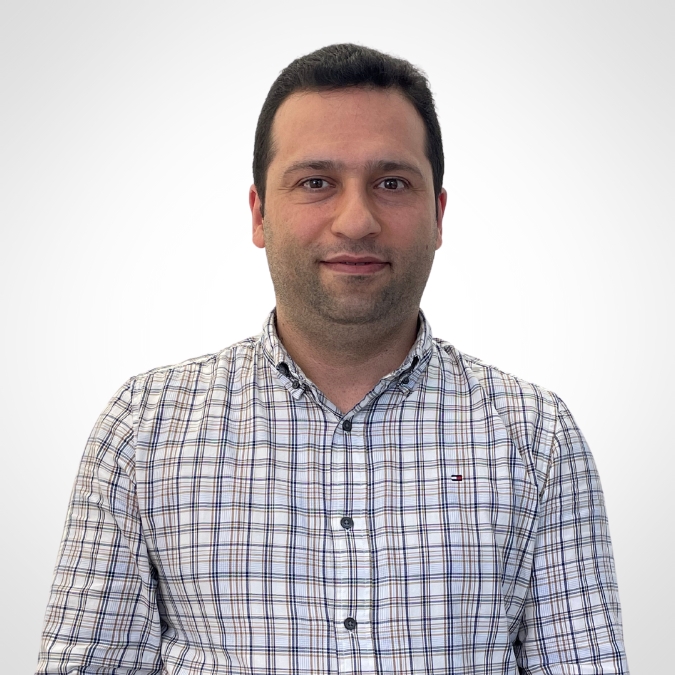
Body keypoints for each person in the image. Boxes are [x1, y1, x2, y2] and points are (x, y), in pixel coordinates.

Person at [36, 44, 629, 674]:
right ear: (259, 213)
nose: (356, 220)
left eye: (391, 183)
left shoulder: (536, 434)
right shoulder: (144, 427)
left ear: (438, 215)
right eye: (316, 182)